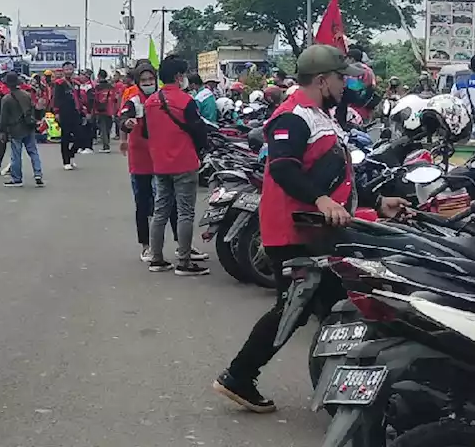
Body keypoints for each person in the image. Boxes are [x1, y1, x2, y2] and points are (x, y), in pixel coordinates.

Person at [214, 44, 413, 413]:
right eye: (341, 77)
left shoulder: (320, 116)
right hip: (294, 232)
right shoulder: (293, 117)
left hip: (320, 231)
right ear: (322, 80)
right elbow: (284, 169)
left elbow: (338, 175)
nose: (345, 84)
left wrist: (375, 203)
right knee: (293, 308)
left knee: (334, 309)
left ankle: (347, 390)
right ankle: (239, 376)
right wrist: (321, 200)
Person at [142, 55, 210, 276]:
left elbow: (144, 132)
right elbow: (200, 132)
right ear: (179, 76)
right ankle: (184, 262)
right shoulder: (186, 101)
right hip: (184, 163)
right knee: (185, 213)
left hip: (160, 164)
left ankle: (157, 259)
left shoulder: (150, 101)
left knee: (160, 211)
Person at [118, 62, 184, 262]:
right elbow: (123, 119)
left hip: (161, 155)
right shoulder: (134, 100)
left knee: (171, 201)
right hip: (140, 158)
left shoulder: (161, 98)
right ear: (137, 82)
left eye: (150, 79)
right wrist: (126, 129)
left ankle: (183, 244)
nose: (148, 83)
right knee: (143, 201)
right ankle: (146, 246)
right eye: (143, 80)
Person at [0, 72, 43, 187]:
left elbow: (3, 118)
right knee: (33, 152)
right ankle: (38, 174)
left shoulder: (6, 99)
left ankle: (17, 178)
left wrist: (2, 131)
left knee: (16, 154)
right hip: (28, 126)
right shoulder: (27, 95)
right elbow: (33, 109)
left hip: (15, 129)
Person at [52, 66, 82, 170]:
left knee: (80, 136)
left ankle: (70, 154)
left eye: (71, 69)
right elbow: (56, 98)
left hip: (76, 112)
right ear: (64, 71)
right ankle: (66, 161)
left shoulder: (76, 83)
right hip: (64, 113)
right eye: (67, 69)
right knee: (65, 137)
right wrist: (56, 112)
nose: (69, 71)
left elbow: (79, 98)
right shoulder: (59, 83)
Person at [90, 69, 118, 152]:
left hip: (100, 110)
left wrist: (93, 110)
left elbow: (95, 99)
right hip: (110, 110)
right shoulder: (111, 86)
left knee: (103, 128)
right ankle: (107, 144)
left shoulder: (97, 87)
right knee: (108, 128)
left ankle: (106, 146)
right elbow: (114, 99)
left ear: (99, 76)